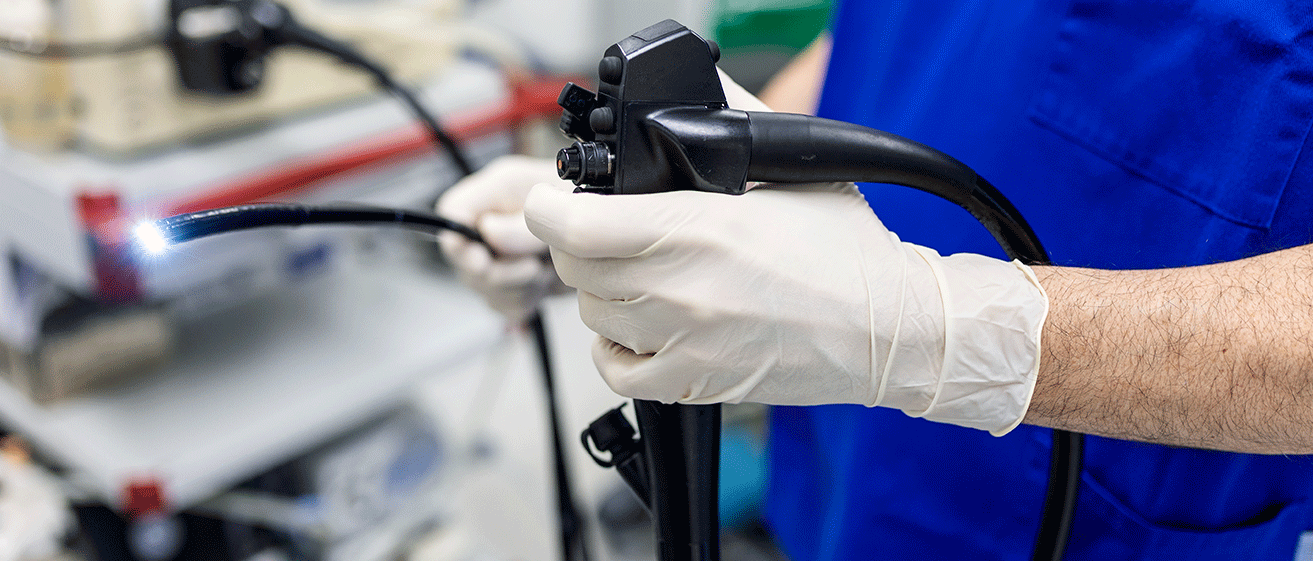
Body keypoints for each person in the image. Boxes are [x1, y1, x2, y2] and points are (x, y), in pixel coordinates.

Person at [439, 2, 1313, 559]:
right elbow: (893, 27)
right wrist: (660, 203)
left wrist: (940, 329)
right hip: (843, 466)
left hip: (1088, 505)